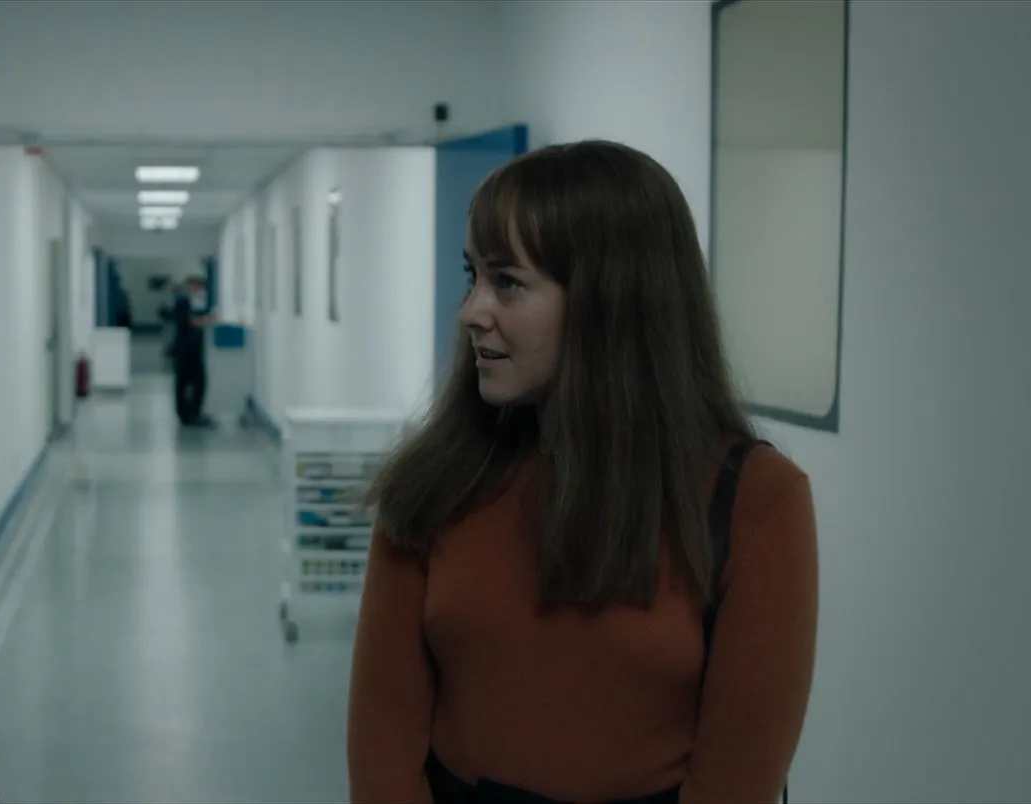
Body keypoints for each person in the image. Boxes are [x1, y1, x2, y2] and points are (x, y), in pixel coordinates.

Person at [346, 140, 817, 804]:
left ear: (610, 300)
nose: (471, 311)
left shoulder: (755, 501)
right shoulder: (437, 483)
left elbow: (736, 783)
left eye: (507, 282)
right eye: (472, 275)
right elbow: (382, 754)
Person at [171, 274, 216, 426]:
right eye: (198, 288)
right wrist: (208, 320)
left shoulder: (190, 301)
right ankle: (189, 414)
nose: (199, 291)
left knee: (190, 381)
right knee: (190, 381)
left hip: (190, 347)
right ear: (191, 286)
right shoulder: (182, 300)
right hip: (186, 349)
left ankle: (190, 412)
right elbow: (189, 321)